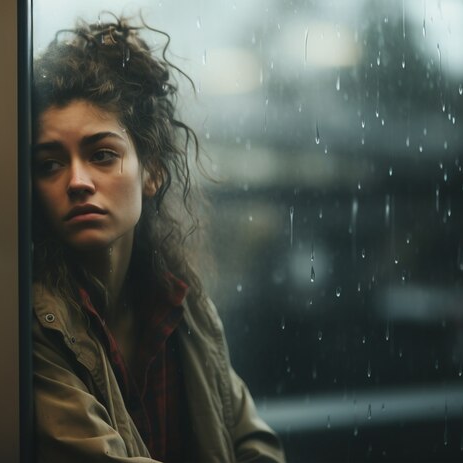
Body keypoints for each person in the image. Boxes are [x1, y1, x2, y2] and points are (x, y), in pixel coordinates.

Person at [31, 17, 285, 462]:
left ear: (152, 171)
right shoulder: (30, 323)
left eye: (102, 155)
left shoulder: (180, 305)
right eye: (50, 164)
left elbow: (252, 441)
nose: (77, 181)